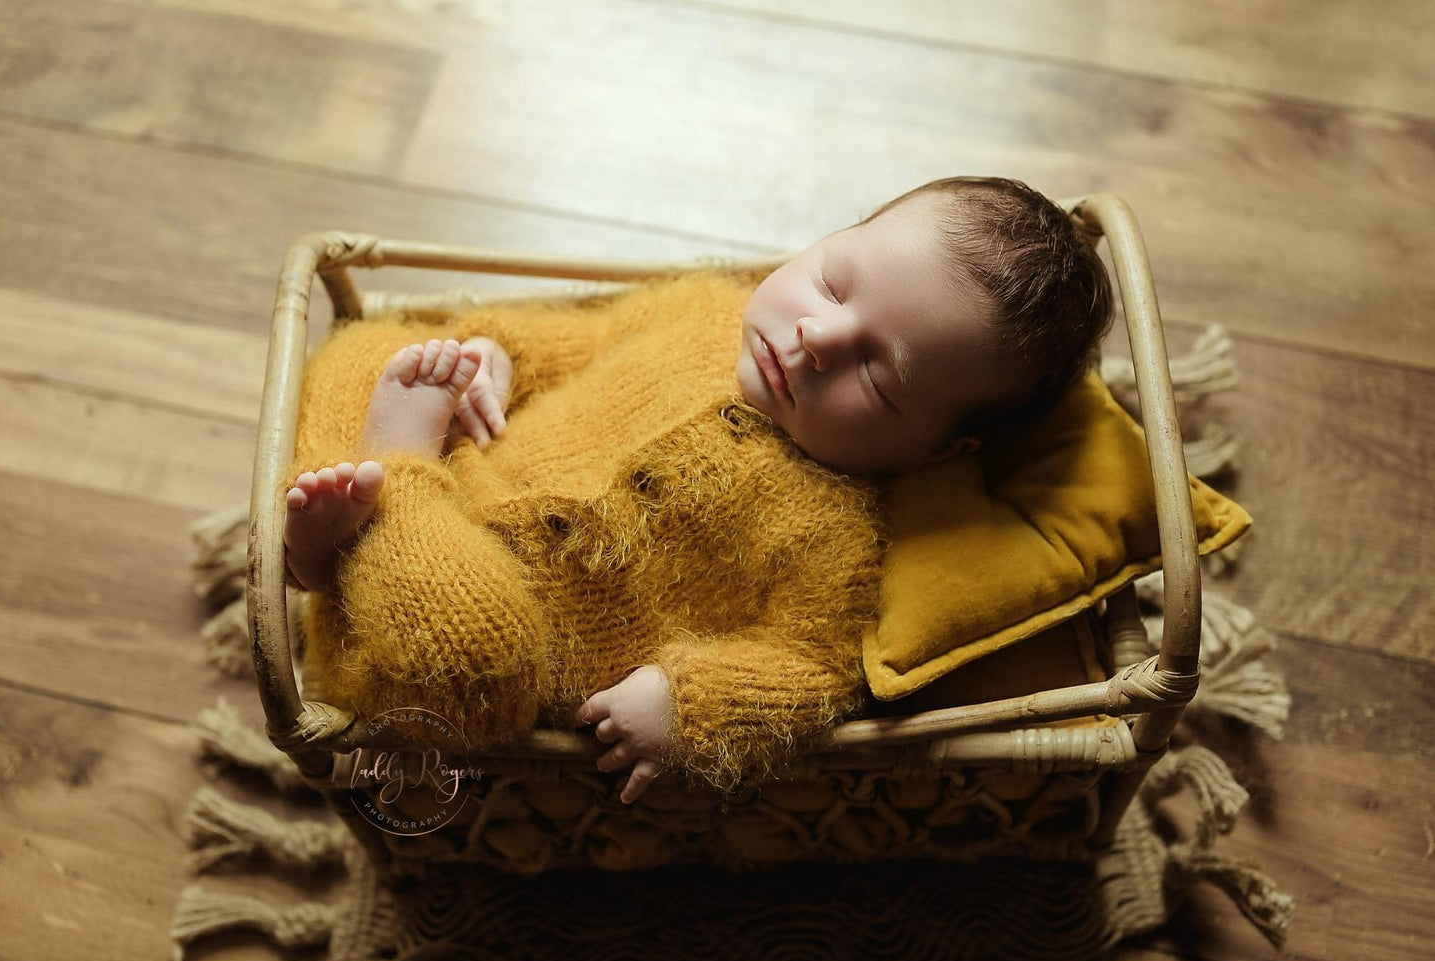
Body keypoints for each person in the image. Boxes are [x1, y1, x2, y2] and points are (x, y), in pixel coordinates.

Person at [282, 176, 1113, 805]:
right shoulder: (701, 309)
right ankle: (348, 539)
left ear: (940, 448)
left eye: (879, 374)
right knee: (369, 354)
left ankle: (383, 500)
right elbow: (573, 339)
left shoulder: (834, 536)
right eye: (831, 281)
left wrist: (686, 704)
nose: (816, 338)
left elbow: (808, 670)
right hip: (458, 479)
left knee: (472, 662)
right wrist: (494, 362)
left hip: (445, 645)